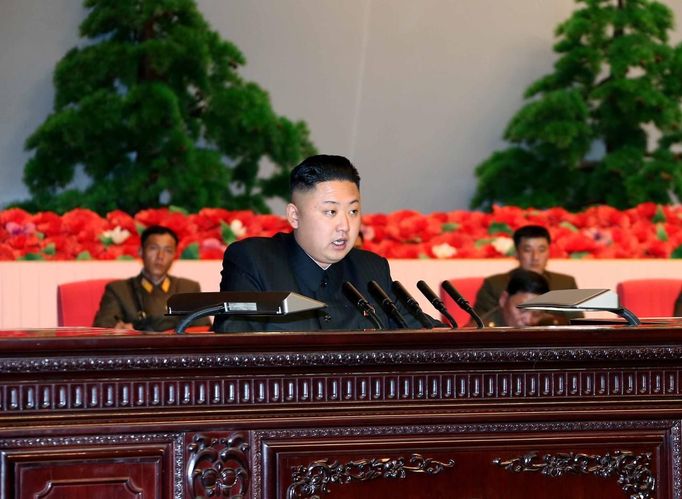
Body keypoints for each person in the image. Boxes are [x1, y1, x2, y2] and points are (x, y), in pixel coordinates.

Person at [214, 154, 439, 332]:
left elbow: (422, 333)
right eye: (330, 211)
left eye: (353, 211)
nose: (345, 225)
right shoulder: (254, 260)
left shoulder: (371, 269)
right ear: (294, 216)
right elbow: (234, 343)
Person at [93, 225, 210, 331]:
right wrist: (117, 330)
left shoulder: (188, 288)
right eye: (153, 248)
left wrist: (135, 327)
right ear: (141, 252)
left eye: (168, 251)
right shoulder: (119, 290)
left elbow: (202, 330)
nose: (160, 256)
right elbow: (101, 329)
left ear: (174, 255)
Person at [473, 225, 579, 323]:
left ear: (548, 253)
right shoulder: (494, 285)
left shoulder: (565, 284)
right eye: (528, 250)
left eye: (542, 250)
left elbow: (577, 324)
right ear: (516, 253)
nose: (535, 257)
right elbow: (480, 324)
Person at [478, 268, 551, 327]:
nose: (528, 320)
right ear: (504, 299)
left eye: (536, 313)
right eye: (522, 310)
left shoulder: (553, 326)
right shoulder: (480, 333)